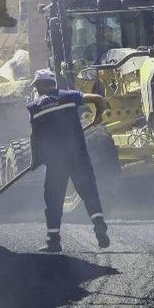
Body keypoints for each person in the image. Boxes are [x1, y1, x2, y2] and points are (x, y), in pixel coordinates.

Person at [27, 69, 111, 253]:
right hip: (78, 156)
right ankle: (99, 225)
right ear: (53, 84)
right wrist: (98, 116)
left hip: (56, 162)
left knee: (53, 199)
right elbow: (98, 98)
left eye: (36, 86)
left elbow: (35, 137)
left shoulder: (34, 107)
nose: (36, 89)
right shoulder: (69, 96)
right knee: (89, 192)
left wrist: (35, 160)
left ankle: (53, 241)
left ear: (40, 86)